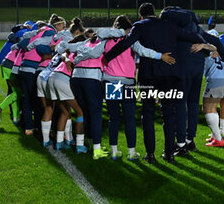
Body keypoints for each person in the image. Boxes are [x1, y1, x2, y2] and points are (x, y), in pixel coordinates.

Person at [103, 3, 206, 163]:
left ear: (141, 16)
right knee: (168, 115)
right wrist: (202, 44)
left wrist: (108, 57)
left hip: (148, 76)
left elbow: (126, 43)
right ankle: (169, 153)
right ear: (155, 13)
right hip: (170, 76)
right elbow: (191, 36)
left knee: (148, 115)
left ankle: (150, 154)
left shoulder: (140, 26)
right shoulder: (169, 25)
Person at [73, 15, 175, 161]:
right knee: (129, 119)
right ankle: (131, 153)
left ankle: (114, 151)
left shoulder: (107, 40)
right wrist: (160, 56)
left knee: (114, 118)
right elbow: (143, 51)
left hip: (110, 81)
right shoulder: (130, 40)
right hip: (127, 82)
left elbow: (92, 53)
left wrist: (76, 59)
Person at [160, 6, 224, 156]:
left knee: (180, 104)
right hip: (198, 67)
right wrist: (222, 54)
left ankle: (181, 144)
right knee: (193, 104)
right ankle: (190, 140)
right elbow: (216, 41)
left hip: (182, 67)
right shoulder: (196, 27)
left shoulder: (172, 27)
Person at [37, 17, 85, 149]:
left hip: (43, 76)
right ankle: (68, 140)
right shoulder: (75, 50)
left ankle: (48, 141)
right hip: (55, 78)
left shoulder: (62, 46)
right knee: (68, 111)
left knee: (50, 109)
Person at [19, 14, 65, 135]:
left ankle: (29, 126)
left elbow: (22, 43)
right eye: (62, 25)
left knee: (28, 98)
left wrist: (29, 46)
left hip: (23, 66)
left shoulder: (39, 31)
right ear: (57, 25)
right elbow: (42, 48)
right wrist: (52, 50)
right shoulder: (50, 32)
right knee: (41, 101)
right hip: (34, 66)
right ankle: (43, 128)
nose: (64, 28)